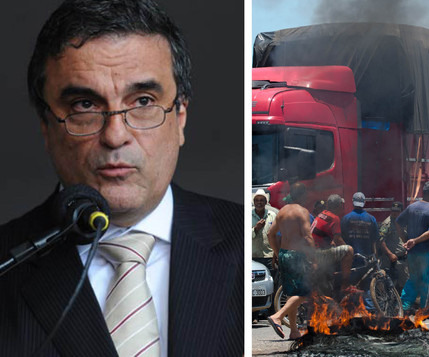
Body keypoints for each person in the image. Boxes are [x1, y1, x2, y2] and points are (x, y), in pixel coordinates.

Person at [0, 1, 242, 355]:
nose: (115, 135)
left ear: (181, 119)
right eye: (84, 105)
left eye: (143, 101)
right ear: (47, 127)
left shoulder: (243, 242)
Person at [267, 185, 326, 340]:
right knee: (305, 292)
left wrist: (278, 252)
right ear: (303, 196)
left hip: (284, 254)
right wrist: (314, 259)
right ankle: (278, 316)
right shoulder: (302, 212)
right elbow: (307, 237)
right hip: (297, 256)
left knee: (291, 294)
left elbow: (270, 234)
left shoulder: (282, 211)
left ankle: (294, 331)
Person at [398, 181, 429, 316]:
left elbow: (398, 222)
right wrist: (415, 241)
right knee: (428, 281)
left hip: (412, 252)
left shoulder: (411, 207)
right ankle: (425, 309)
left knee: (413, 279)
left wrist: (406, 240)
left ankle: (404, 307)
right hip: (427, 252)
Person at [310, 195, 355, 296]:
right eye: (341, 205)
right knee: (349, 251)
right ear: (338, 206)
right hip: (319, 253)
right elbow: (338, 239)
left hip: (312, 251)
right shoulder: (334, 218)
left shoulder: (322, 214)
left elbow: (325, 235)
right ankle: (345, 284)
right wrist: (349, 251)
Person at [378, 201, 408, 292]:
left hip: (403, 260)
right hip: (391, 261)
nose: (395, 213)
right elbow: (380, 241)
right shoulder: (387, 224)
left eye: (397, 211)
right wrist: (390, 254)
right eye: (393, 211)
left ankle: (402, 305)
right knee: (390, 286)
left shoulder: (404, 222)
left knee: (404, 284)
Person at [252, 189, 277, 266]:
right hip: (253, 257)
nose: (259, 202)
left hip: (269, 257)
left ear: (266, 202)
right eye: (257, 200)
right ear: (254, 202)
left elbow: (277, 236)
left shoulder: (273, 215)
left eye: (261, 200)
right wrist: (255, 229)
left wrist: (275, 255)